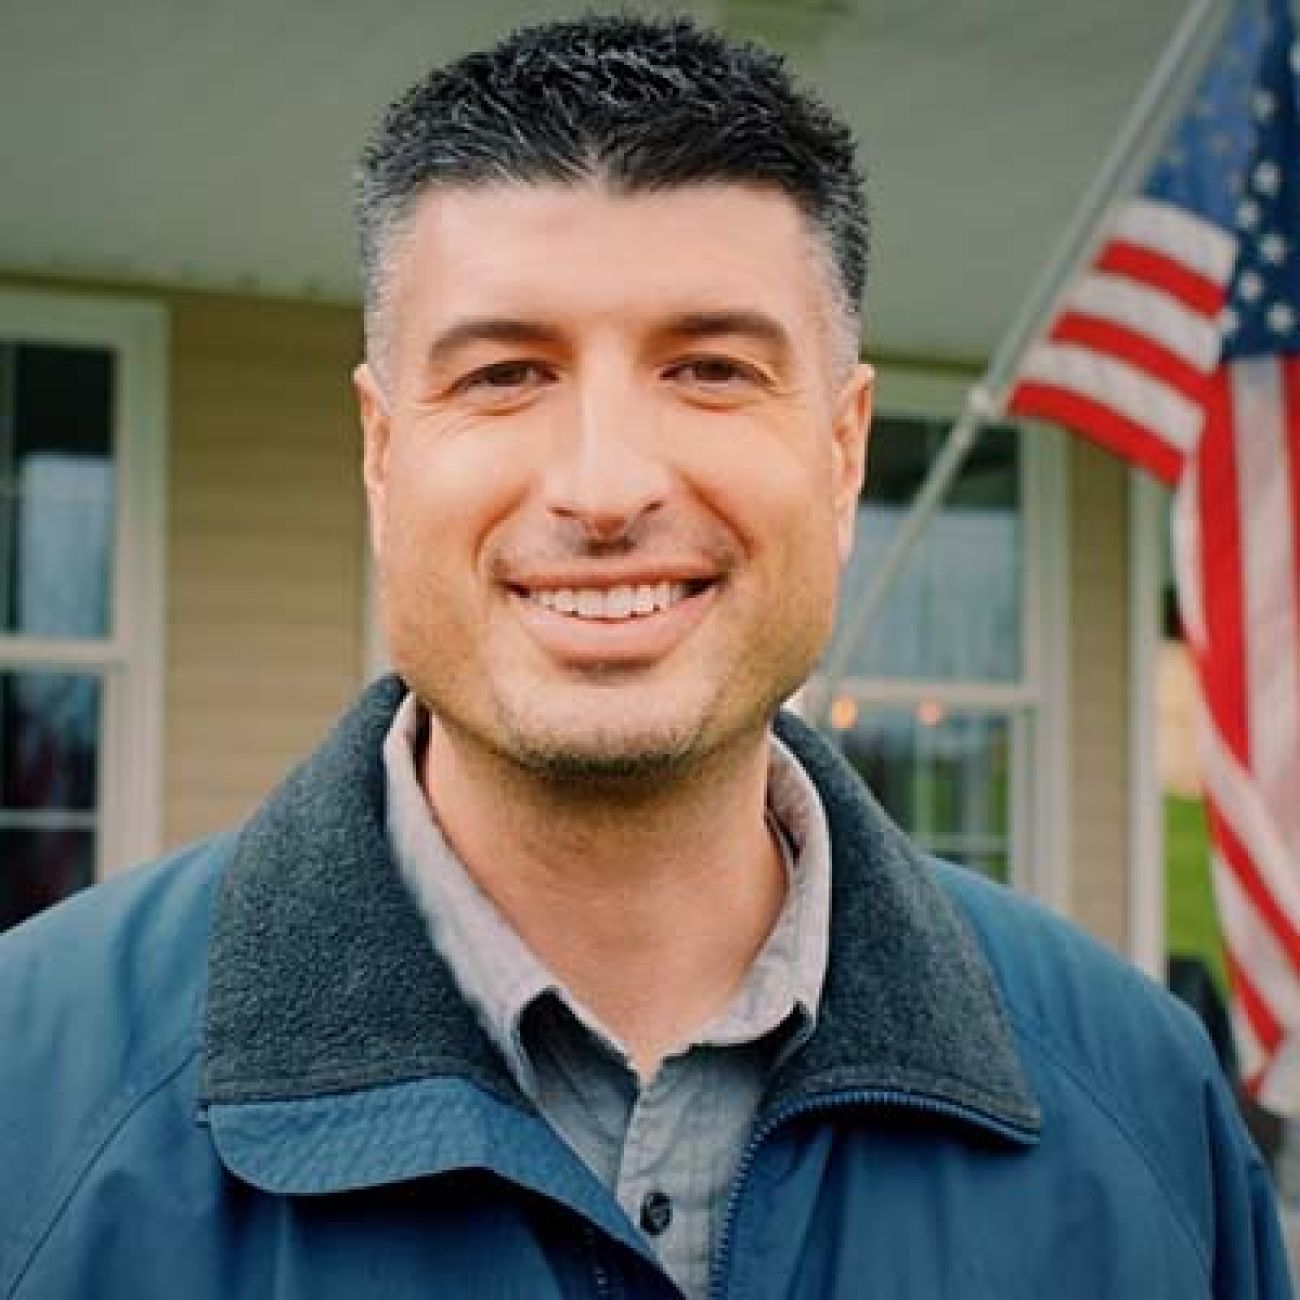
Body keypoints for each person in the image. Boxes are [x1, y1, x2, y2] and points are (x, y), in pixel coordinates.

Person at [0, 14, 1291, 1299]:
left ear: (843, 455)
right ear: (382, 452)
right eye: (507, 374)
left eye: (711, 368)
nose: (605, 486)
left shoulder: (1142, 1100)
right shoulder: (29, 1094)